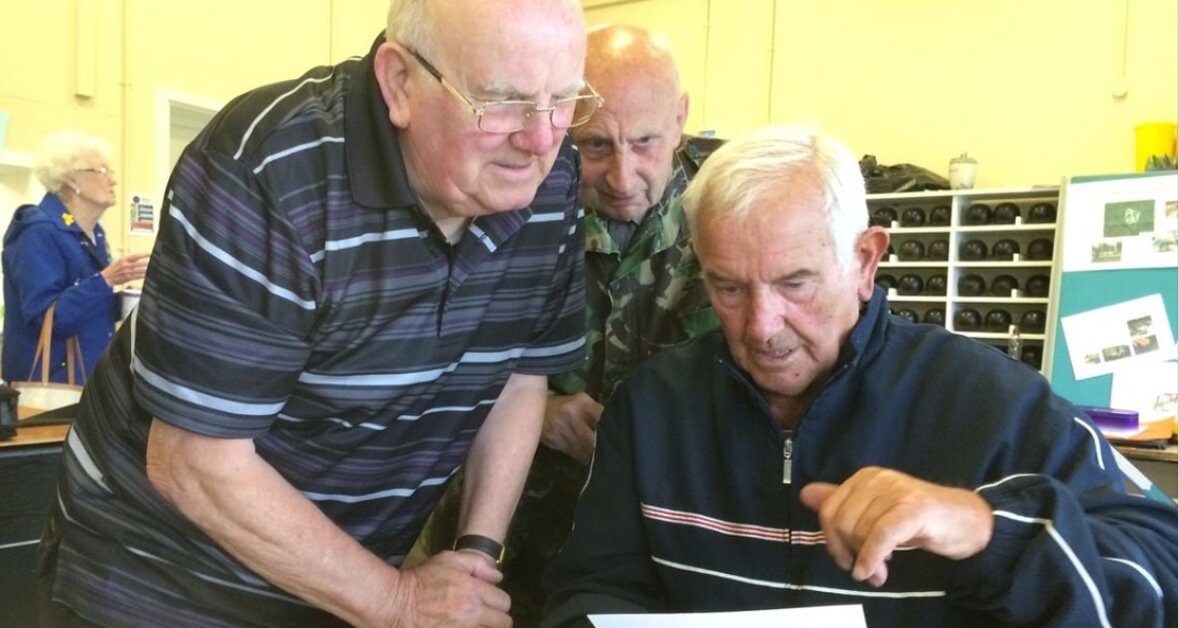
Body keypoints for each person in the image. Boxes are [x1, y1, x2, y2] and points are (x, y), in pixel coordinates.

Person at [38, 0, 593, 625]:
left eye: (565, 100)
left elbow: (516, 376)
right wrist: (397, 602)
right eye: (503, 101)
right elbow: (195, 463)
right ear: (400, 82)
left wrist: (474, 558)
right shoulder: (271, 166)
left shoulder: (552, 179)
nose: (541, 138)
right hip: (162, 579)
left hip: (344, 574)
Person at [542, 124, 1178, 627]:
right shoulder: (653, 407)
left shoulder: (992, 405)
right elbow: (593, 590)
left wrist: (986, 530)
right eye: (728, 287)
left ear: (866, 260)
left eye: (796, 283)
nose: (762, 326)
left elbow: (1162, 578)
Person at [414, 25, 721, 627]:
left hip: (661, 561)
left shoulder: (727, 218)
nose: (623, 175)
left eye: (646, 142)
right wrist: (541, 415)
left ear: (682, 118)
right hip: (500, 543)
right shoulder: (503, 206)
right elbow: (431, 367)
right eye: (597, 146)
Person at [2, 131, 148, 384]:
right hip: (50, 386)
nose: (113, 180)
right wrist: (106, 280)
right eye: (101, 171)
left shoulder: (92, 233)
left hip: (88, 377)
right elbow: (47, 318)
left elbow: (86, 307)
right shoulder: (39, 231)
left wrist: (131, 300)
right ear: (72, 180)